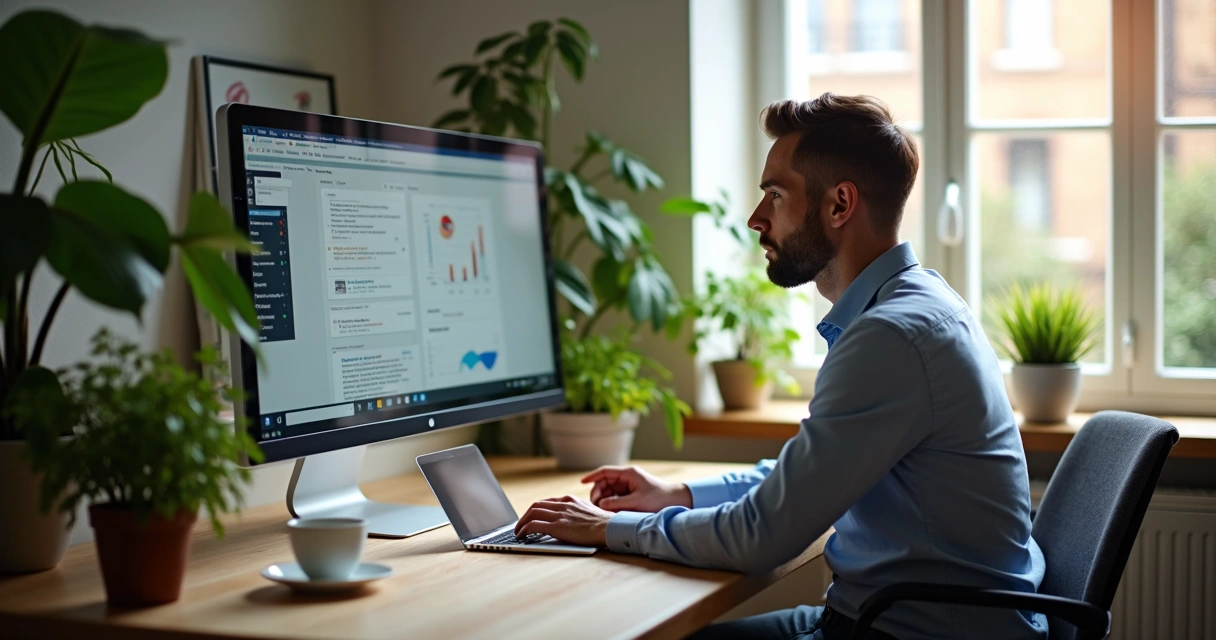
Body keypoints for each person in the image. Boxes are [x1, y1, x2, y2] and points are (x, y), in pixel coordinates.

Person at [515, 93, 1047, 640]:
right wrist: (678, 496)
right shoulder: (917, 302)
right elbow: (805, 476)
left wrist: (612, 529)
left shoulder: (891, 336)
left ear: (840, 205)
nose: (755, 218)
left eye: (775, 194)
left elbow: (761, 536)